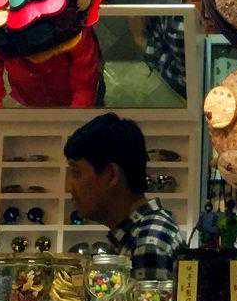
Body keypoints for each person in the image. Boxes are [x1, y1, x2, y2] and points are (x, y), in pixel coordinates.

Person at [64, 112, 181, 284]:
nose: (69, 187)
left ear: (111, 175)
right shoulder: (139, 233)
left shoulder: (147, 242)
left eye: (76, 173)